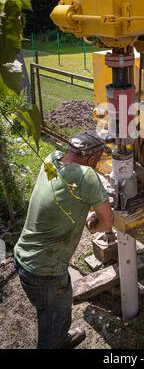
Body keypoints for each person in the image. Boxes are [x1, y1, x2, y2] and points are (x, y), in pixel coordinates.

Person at [14, 130, 114, 349]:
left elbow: (58, 191)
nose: (96, 166)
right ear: (90, 159)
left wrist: (80, 204)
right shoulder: (86, 176)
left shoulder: (51, 159)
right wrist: (93, 223)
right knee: (52, 319)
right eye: (96, 161)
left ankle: (61, 337)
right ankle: (55, 341)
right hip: (45, 272)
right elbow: (107, 222)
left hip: (23, 258)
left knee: (52, 311)